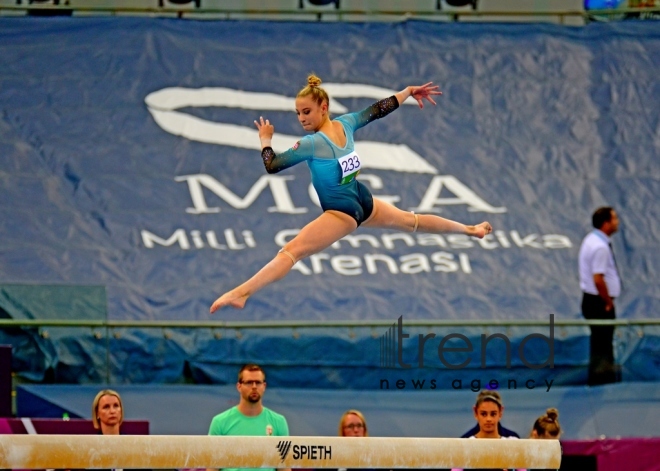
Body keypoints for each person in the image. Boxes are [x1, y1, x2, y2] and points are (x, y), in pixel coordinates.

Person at [210, 74, 492, 313]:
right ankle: (470, 230)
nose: (301, 119)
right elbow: (378, 109)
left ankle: (242, 292)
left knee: (291, 252)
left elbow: (272, 165)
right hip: (362, 199)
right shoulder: (347, 123)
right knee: (411, 221)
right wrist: (406, 92)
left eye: (306, 112)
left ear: (323, 107)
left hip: (341, 212)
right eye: (297, 113)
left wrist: (265, 139)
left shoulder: (312, 143)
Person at [207, 364, 289, 471]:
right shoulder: (219, 422)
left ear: (264, 386)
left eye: (258, 382)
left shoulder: (279, 422)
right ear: (239, 386)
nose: (254, 386)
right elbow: (212, 468)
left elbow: (284, 469)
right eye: (249, 382)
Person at [578, 206, 622, 386]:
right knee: (603, 345)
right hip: (599, 303)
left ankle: (599, 380)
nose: (617, 222)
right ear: (606, 223)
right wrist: (608, 301)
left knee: (599, 343)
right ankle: (602, 383)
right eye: (614, 219)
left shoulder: (591, 239)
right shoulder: (600, 247)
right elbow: (598, 279)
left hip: (592, 300)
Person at [451, 390, 524, 471]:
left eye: (493, 414)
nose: (488, 419)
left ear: (500, 413)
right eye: (483, 414)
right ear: (476, 413)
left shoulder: (514, 444)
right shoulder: (464, 446)